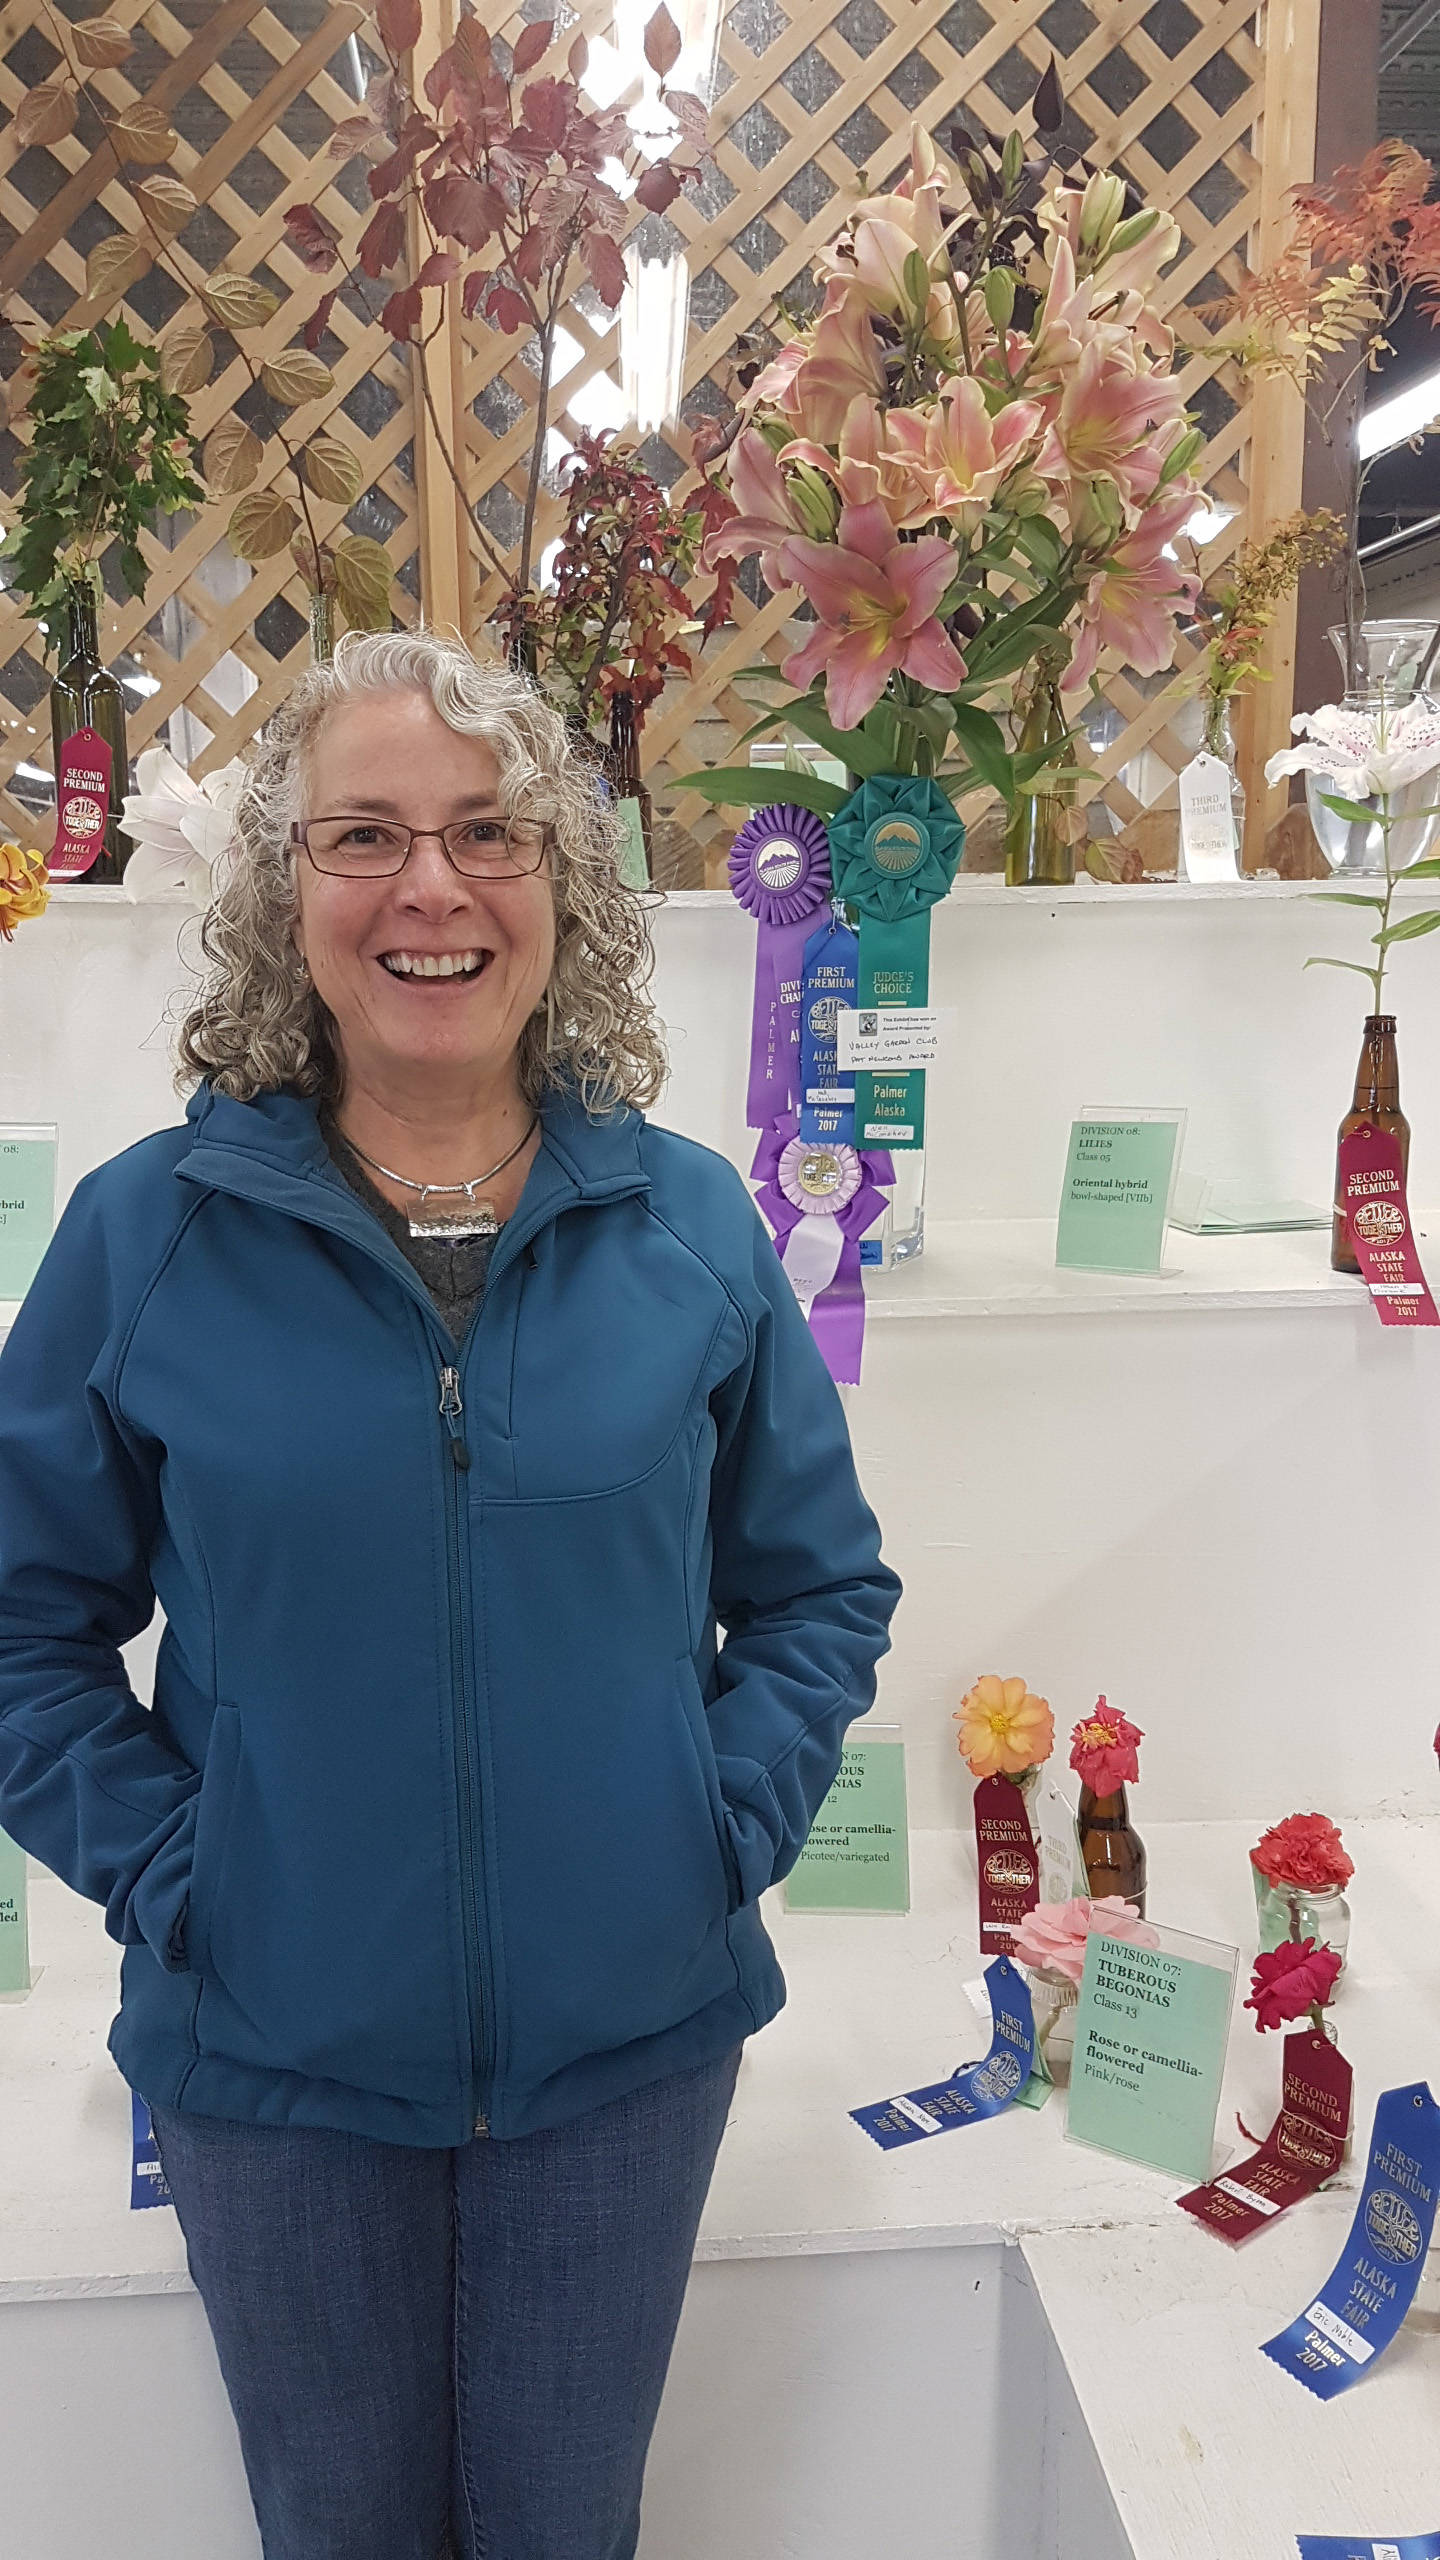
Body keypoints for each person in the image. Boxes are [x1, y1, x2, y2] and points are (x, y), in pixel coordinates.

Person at [0, 631, 900, 2560]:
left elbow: (819, 1587)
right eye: (367, 836)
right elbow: (18, 1622)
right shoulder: (146, 1238)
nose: (433, 887)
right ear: (285, 890)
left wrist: (715, 1824)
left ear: (562, 882)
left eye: (490, 832)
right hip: (274, 2065)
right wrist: (183, 1875)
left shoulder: (688, 1224)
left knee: (567, 2525)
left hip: (623, 2061)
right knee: (336, 2529)